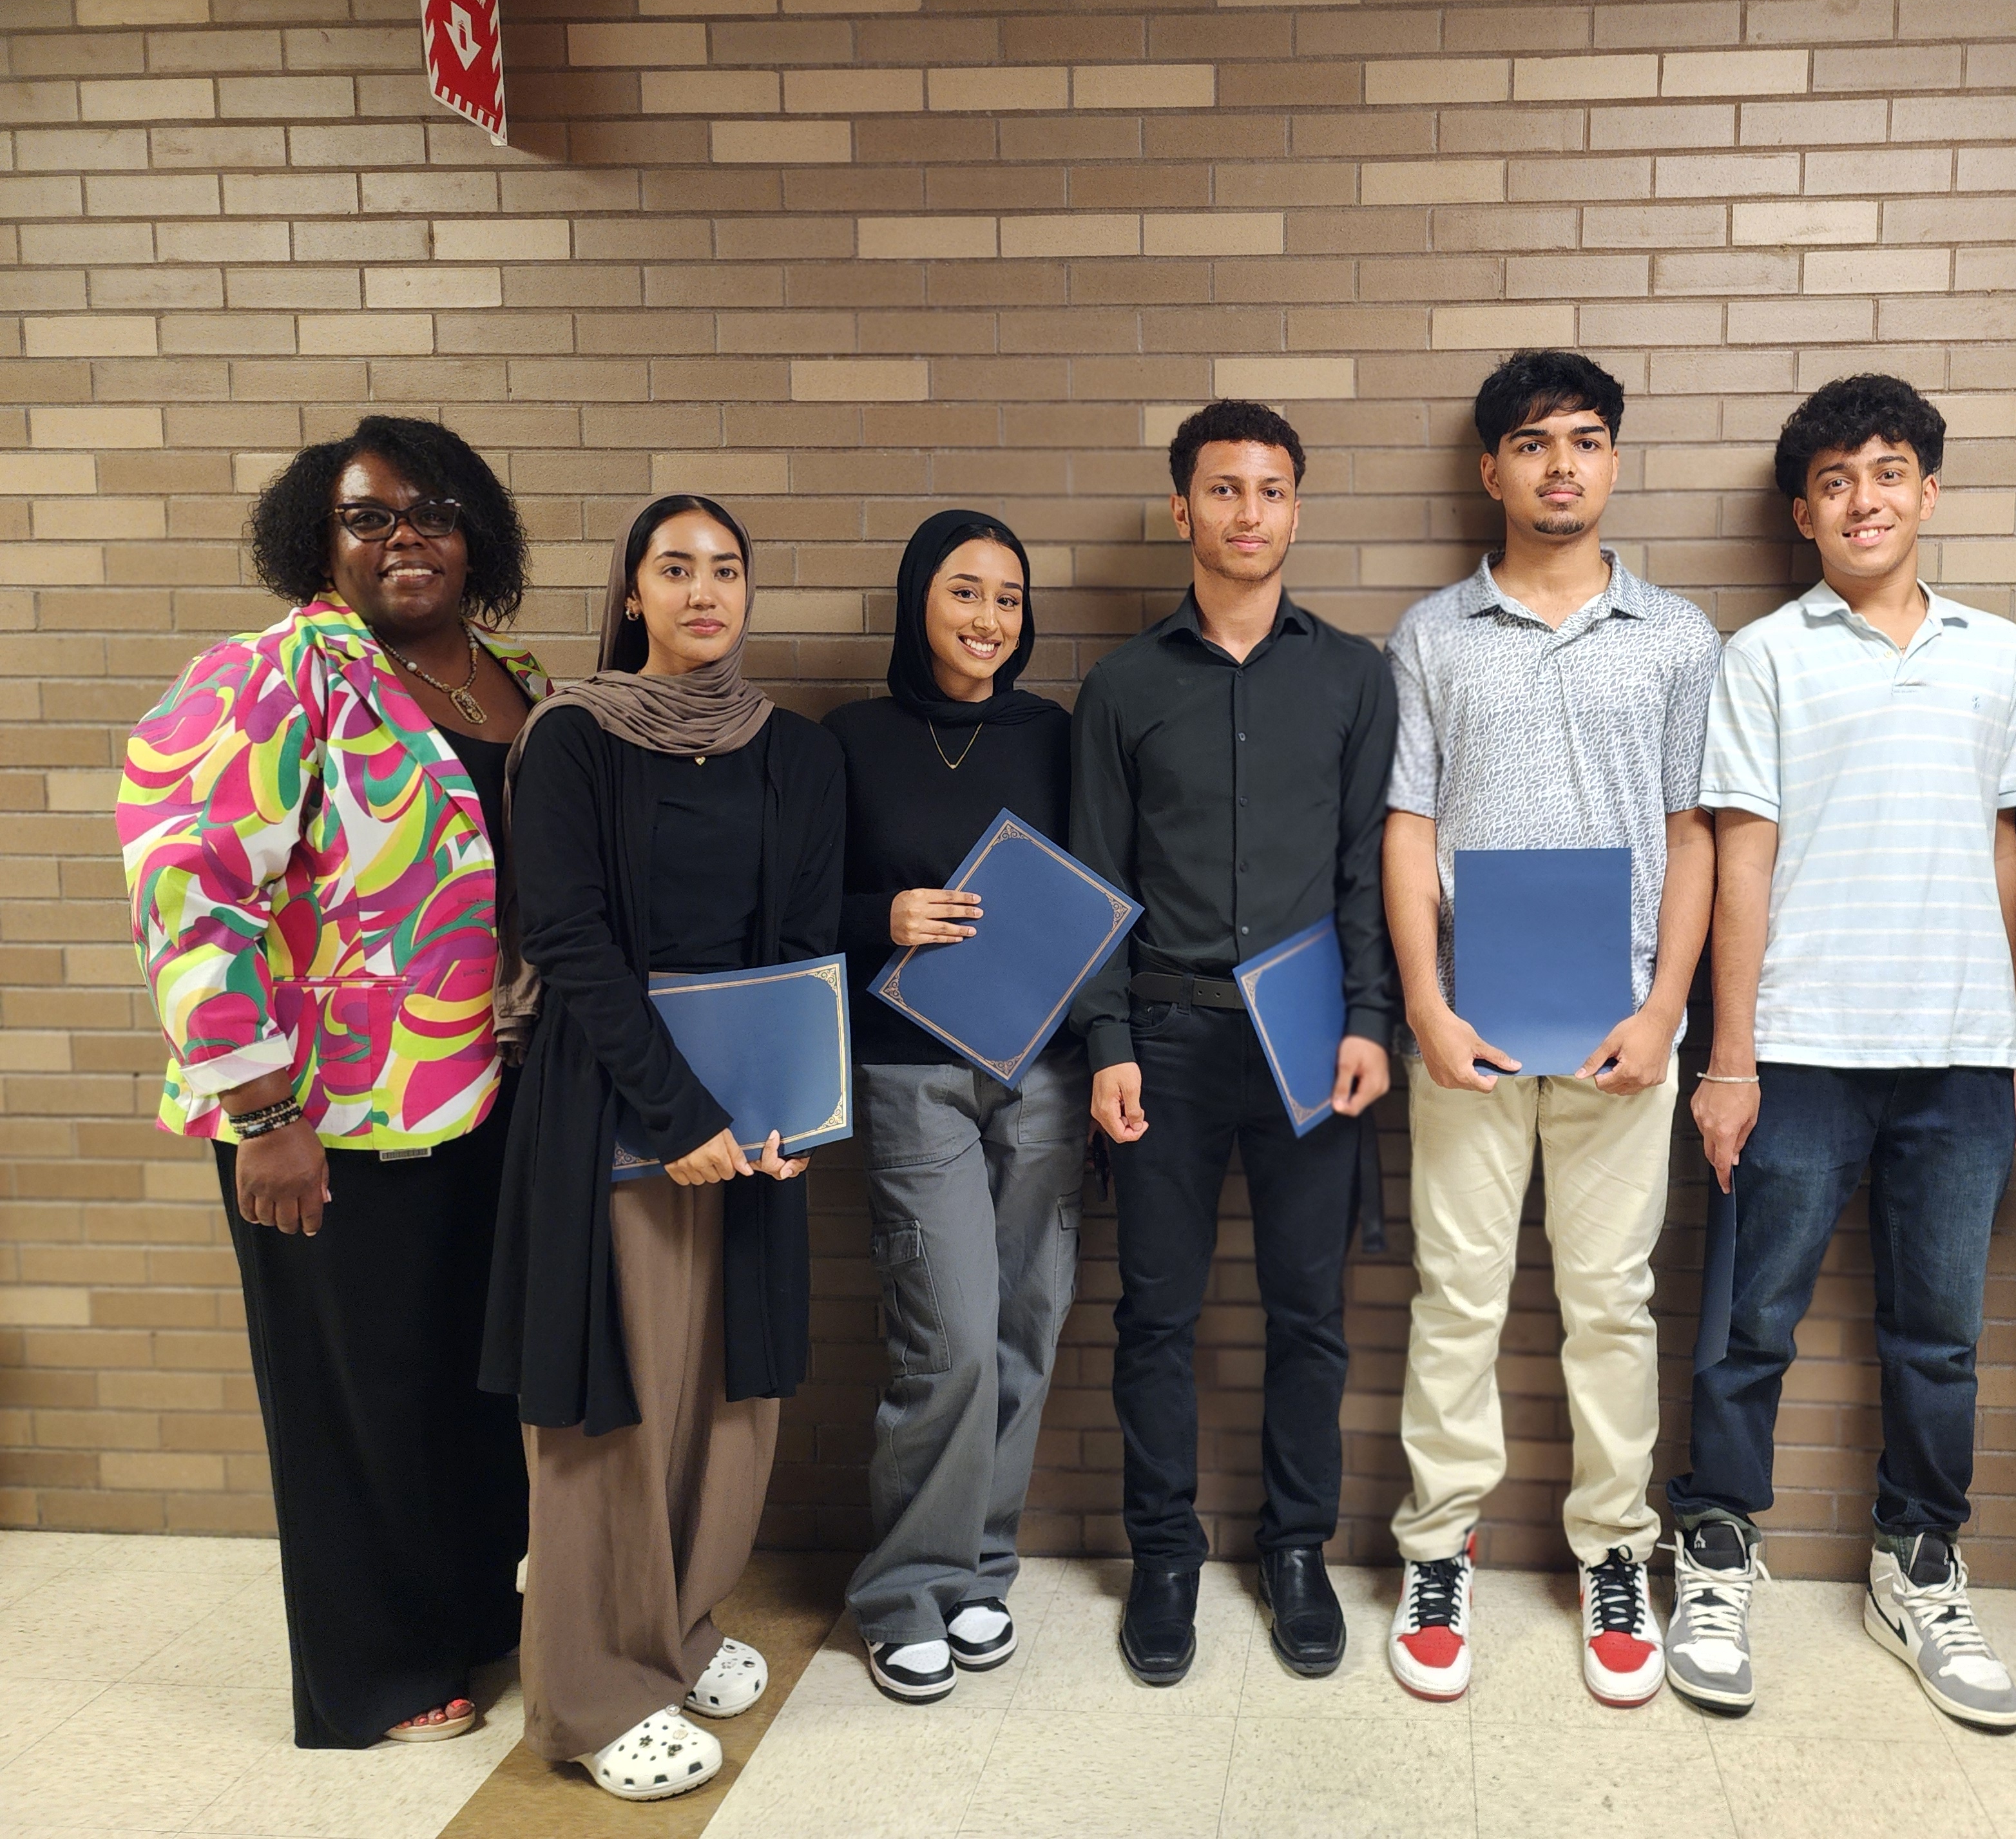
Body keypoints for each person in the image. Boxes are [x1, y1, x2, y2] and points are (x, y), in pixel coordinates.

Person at [117, 417, 544, 1748]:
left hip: (485, 1097)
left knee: (461, 1383)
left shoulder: (505, 680)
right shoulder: (274, 677)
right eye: (369, 517)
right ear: (318, 538)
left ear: (477, 535)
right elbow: (189, 892)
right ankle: (379, 1673)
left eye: (432, 511)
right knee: (359, 1395)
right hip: (330, 1119)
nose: (405, 536)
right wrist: (264, 1113)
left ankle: (473, 1616)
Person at [1671, 375, 2016, 1731]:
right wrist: (1731, 1056)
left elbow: (2003, 850)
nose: (1862, 499)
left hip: (1954, 1052)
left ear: (1925, 491)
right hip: (1802, 1050)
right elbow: (1739, 857)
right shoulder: (1763, 656)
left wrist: (2007, 1042)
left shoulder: (1995, 653)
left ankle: (1917, 1564)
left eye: (1886, 472)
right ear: (1800, 513)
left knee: (1936, 1336)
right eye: (1834, 481)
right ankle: (1711, 1547)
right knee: (1745, 1325)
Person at [481, 495, 843, 1802]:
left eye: (728, 569)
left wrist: (791, 1112)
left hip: (754, 1117)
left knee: (729, 1395)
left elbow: (804, 944)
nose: (705, 590)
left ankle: (676, 1630)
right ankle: (588, 1691)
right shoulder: (575, 738)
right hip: (613, 1113)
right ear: (632, 592)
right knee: (611, 1407)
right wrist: (676, 1115)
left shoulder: (791, 756)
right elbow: (567, 939)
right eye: (675, 568)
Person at [1382, 349, 1718, 1709]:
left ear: (1613, 462)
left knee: (1608, 1304)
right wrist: (1419, 1001)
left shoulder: (1680, 638)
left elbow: (1695, 831)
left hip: (1618, 1032)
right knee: (1455, 1298)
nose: (1559, 465)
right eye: (1531, 443)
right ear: (1490, 469)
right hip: (1464, 1025)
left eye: (1583, 441)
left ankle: (1613, 1554)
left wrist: (1664, 1009)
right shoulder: (1431, 635)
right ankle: (1436, 1546)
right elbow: (1408, 824)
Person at [1071, 400, 1397, 1686]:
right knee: (1155, 1311)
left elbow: (1369, 870)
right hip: (1165, 1036)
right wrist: (1106, 1037)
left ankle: (1296, 1549)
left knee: (1308, 1311)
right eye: (1222, 489)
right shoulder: (1123, 685)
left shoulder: (1352, 675)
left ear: (1294, 511)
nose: (1245, 511)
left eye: (1269, 490)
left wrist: (1371, 1020)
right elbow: (1096, 872)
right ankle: (1164, 1553)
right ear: (1182, 510)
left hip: (1313, 1041)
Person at [825, 510, 1084, 1705]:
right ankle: (900, 1591)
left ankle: (980, 1567)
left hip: (1041, 1069)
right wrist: (883, 917)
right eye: (965, 592)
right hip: (908, 1068)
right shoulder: (851, 740)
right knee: (949, 1333)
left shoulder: (1058, 737)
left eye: (1010, 600)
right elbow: (798, 903)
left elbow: (1099, 890)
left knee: (1027, 1322)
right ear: (918, 598)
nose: (989, 619)